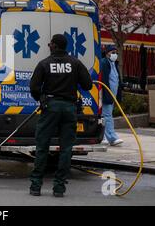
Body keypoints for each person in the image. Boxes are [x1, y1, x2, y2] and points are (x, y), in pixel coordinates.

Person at [29, 34, 93, 197]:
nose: (48, 46)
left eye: (50, 43)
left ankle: (36, 186)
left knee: (42, 146)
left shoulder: (44, 63)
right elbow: (88, 84)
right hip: (69, 108)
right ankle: (59, 187)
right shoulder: (75, 63)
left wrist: (41, 99)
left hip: (50, 107)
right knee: (66, 149)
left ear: (55, 46)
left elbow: (34, 87)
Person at [100, 45, 124, 146]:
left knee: (106, 115)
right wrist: (107, 95)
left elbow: (116, 79)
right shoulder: (104, 63)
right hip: (108, 94)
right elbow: (105, 80)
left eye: (116, 53)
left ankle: (103, 137)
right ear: (107, 53)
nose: (115, 54)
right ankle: (112, 138)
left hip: (112, 95)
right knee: (107, 115)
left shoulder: (113, 64)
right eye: (112, 52)